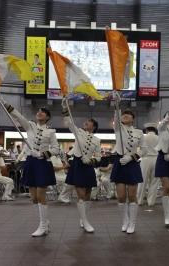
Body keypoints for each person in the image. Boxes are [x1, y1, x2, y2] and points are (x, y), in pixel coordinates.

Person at [0, 91, 60, 237]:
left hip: (43, 163)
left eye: (43, 112)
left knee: (40, 195)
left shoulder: (50, 132)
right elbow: (17, 115)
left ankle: (43, 226)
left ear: (48, 117)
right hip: (31, 163)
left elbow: (56, 149)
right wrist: (3, 102)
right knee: (33, 197)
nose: (39, 113)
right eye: (38, 111)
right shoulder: (30, 126)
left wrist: (43, 154)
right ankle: (43, 221)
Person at [110, 92, 147, 234]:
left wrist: (132, 158)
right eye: (123, 114)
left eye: (128, 114)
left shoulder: (139, 132)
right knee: (120, 196)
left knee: (132, 195)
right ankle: (125, 219)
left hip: (132, 163)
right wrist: (117, 103)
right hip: (120, 162)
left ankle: (132, 222)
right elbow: (116, 117)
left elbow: (144, 150)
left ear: (133, 118)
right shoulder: (119, 128)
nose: (125, 116)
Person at [62, 98, 101, 233]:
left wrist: (91, 161)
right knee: (80, 193)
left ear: (94, 126)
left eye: (89, 122)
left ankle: (83, 217)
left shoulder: (97, 140)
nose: (86, 123)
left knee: (88, 194)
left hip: (88, 166)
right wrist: (65, 109)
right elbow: (69, 122)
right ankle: (85, 220)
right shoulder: (78, 132)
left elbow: (99, 157)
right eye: (85, 122)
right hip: (78, 164)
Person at [137, 123, 159, 207]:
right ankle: (151, 202)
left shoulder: (144, 137)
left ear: (147, 130)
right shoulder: (159, 138)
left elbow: (139, 147)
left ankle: (140, 200)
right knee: (154, 181)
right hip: (156, 159)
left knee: (142, 180)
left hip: (146, 158)